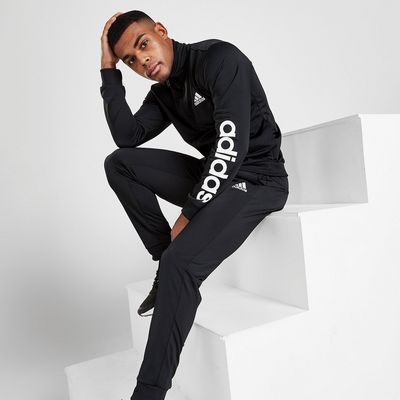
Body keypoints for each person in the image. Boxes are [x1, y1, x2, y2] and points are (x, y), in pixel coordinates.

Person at [100, 10, 289, 400]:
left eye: (143, 45)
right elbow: (126, 135)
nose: (142, 61)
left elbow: (231, 147)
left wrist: (188, 214)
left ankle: (148, 393)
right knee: (119, 164)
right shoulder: (164, 93)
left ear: (161, 31)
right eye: (130, 60)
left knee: (181, 264)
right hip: (216, 176)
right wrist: (108, 69)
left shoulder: (219, 59)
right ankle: (164, 263)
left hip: (259, 179)